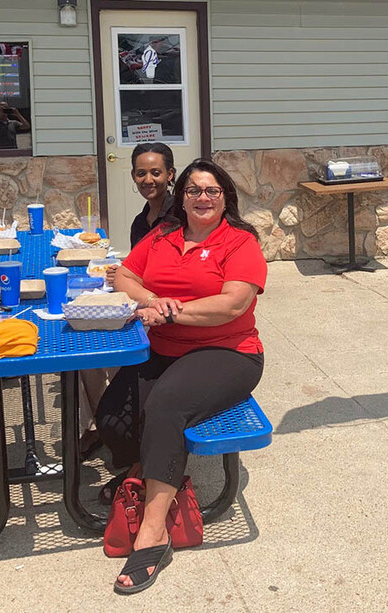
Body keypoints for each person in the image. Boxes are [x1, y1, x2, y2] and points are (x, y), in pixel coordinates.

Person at [96, 159, 266, 594]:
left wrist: (169, 311)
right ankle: (145, 470)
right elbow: (125, 277)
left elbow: (232, 305)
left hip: (226, 352)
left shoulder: (240, 242)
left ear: (225, 196)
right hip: (163, 347)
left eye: (212, 190)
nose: (203, 198)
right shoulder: (163, 234)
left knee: (165, 407)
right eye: (194, 191)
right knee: (112, 414)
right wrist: (152, 299)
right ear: (182, 196)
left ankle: (153, 533)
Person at [79, 143, 177, 457]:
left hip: (165, 312)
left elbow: (174, 273)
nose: (148, 179)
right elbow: (139, 266)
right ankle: (98, 425)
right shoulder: (140, 221)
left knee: (104, 351)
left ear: (170, 175)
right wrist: (123, 274)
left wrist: (132, 281)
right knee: (86, 348)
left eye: (156, 172)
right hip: (139, 302)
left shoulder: (179, 216)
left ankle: (122, 427)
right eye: (141, 173)